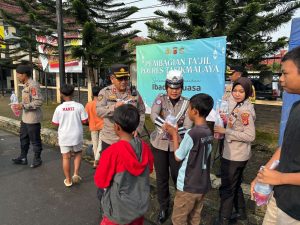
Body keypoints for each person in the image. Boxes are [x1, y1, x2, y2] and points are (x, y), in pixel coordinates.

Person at [251, 46, 300, 224]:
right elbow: (285, 146)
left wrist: (280, 178)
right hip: (279, 198)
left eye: (285, 73)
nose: (280, 79)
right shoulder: (296, 108)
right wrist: (264, 173)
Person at [94, 104, 154, 225]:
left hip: (117, 212)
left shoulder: (111, 152)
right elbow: (150, 169)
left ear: (116, 127)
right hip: (139, 207)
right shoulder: (145, 148)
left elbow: (101, 181)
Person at [150, 70, 193, 224]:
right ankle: (163, 207)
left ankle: (180, 207)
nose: (174, 90)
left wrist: (173, 131)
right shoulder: (160, 99)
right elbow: (153, 115)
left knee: (178, 178)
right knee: (161, 178)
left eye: (177, 87)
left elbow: (188, 126)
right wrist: (167, 127)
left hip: (177, 146)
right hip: (160, 144)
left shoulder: (187, 103)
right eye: (171, 87)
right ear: (166, 86)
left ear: (182, 87)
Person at [164, 93, 214, 225]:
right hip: (202, 184)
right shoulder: (208, 132)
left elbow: (178, 156)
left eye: (189, 108)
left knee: (179, 219)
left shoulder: (192, 133)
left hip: (188, 185)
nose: (187, 111)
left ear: (195, 111)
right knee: (194, 217)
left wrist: (174, 134)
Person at [214, 77, 256, 225]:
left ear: (247, 92)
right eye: (235, 91)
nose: (237, 94)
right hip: (234, 153)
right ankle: (241, 213)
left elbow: (250, 135)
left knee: (227, 188)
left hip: (235, 156)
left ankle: (223, 219)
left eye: (241, 91)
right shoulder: (238, 104)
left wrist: (226, 131)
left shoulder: (245, 111)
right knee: (235, 184)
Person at [96, 64, 145, 151]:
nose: (123, 81)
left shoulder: (134, 93)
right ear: (112, 79)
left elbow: (141, 112)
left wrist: (138, 129)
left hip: (129, 140)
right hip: (110, 139)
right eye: (120, 79)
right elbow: (98, 111)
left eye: (125, 78)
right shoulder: (105, 92)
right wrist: (114, 107)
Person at [52, 84, 88, 187]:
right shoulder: (79, 106)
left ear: (61, 94)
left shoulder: (59, 108)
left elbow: (55, 123)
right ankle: (76, 174)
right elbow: (85, 120)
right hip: (77, 134)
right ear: (73, 93)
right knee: (78, 153)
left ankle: (68, 180)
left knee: (66, 157)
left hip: (64, 135)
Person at [12, 64, 44, 168]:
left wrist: (24, 106)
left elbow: (39, 101)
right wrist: (18, 105)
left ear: (24, 75)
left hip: (33, 119)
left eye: (18, 75)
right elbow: (26, 100)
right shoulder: (26, 85)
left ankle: (37, 159)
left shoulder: (33, 85)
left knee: (35, 140)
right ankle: (23, 157)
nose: (17, 77)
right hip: (25, 118)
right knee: (23, 138)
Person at [85, 86, 104, 168]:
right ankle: (96, 160)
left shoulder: (88, 104)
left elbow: (86, 116)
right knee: (100, 143)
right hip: (103, 125)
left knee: (95, 144)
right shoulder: (102, 104)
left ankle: (95, 161)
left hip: (92, 125)